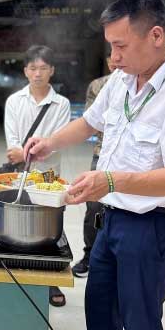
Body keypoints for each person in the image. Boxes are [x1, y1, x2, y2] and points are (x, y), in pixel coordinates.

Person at [26, 0, 165, 330]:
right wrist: (49, 143)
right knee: (100, 314)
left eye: (120, 46)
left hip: (152, 228)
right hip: (111, 221)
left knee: (141, 325)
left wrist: (111, 181)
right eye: (110, 47)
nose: (113, 58)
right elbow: (88, 123)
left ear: (156, 36)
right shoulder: (122, 80)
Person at [4, 45, 71, 307]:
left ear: (52, 70)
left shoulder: (61, 104)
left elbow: (58, 143)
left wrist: (27, 152)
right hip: (19, 175)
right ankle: (20, 273)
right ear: (25, 71)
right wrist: (26, 153)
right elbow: (12, 149)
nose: (38, 73)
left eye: (43, 67)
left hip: (49, 177)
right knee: (18, 223)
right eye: (33, 68)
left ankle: (50, 277)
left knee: (49, 227)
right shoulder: (14, 101)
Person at [72, 53, 116, 278]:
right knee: (93, 207)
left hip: (129, 164)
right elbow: (91, 122)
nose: (117, 60)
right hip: (101, 155)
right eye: (112, 56)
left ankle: (111, 259)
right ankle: (89, 255)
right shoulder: (99, 86)